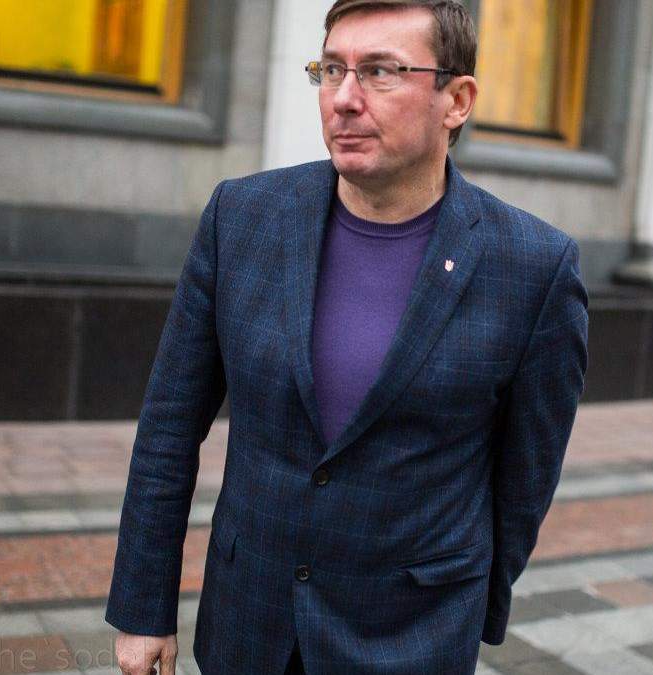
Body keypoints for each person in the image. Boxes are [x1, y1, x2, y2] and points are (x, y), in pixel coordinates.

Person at [105, 1, 589, 673]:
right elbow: (168, 426)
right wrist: (142, 608)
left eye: (381, 72)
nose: (344, 98)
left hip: (412, 639)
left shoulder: (533, 266)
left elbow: (524, 482)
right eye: (332, 70)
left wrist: (464, 608)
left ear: (457, 100)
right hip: (249, 625)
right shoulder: (241, 218)